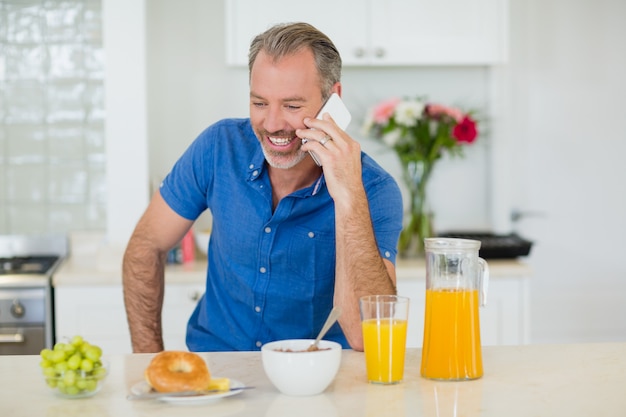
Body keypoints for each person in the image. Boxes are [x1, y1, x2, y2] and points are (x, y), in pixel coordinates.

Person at [122, 22, 403, 353]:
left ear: (333, 100)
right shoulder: (218, 148)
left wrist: (347, 194)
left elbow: (364, 336)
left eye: (292, 106)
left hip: (319, 377)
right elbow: (145, 246)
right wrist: (150, 361)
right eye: (259, 103)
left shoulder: (374, 189)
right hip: (218, 371)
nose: (272, 124)